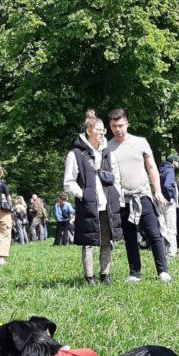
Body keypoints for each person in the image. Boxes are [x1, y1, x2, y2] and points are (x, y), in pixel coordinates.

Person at [107, 108, 171, 283]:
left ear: (127, 123)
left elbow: (152, 168)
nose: (118, 129)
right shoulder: (107, 147)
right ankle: (134, 273)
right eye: (114, 126)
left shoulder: (141, 142)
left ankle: (162, 271)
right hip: (123, 199)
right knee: (129, 237)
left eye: (121, 125)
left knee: (153, 233)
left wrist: (157, 191)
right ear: (110, 126)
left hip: (143, 196)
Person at [64, 111, 122, 284]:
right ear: (88, 131)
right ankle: (89, 277)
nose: (103, 132)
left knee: (107, 241)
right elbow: (68, 182)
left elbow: (116, 176)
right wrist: (83, 195)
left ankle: (106, 274)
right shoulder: (75, 154)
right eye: (99, 129)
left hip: (107, 205)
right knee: (88, 242)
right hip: (88, 206)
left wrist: (116, 195)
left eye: (104, 129)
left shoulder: (107, 152)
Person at [159, 153, 179, 256]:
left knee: (163, 226)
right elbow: (167, 185)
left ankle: (163, 250)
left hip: (161, 202)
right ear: (173, 162)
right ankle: (172, 251)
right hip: (167, 203)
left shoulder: (162, 170)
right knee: (171, 227)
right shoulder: (170, 171)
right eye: (178, 161)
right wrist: (170, 198)